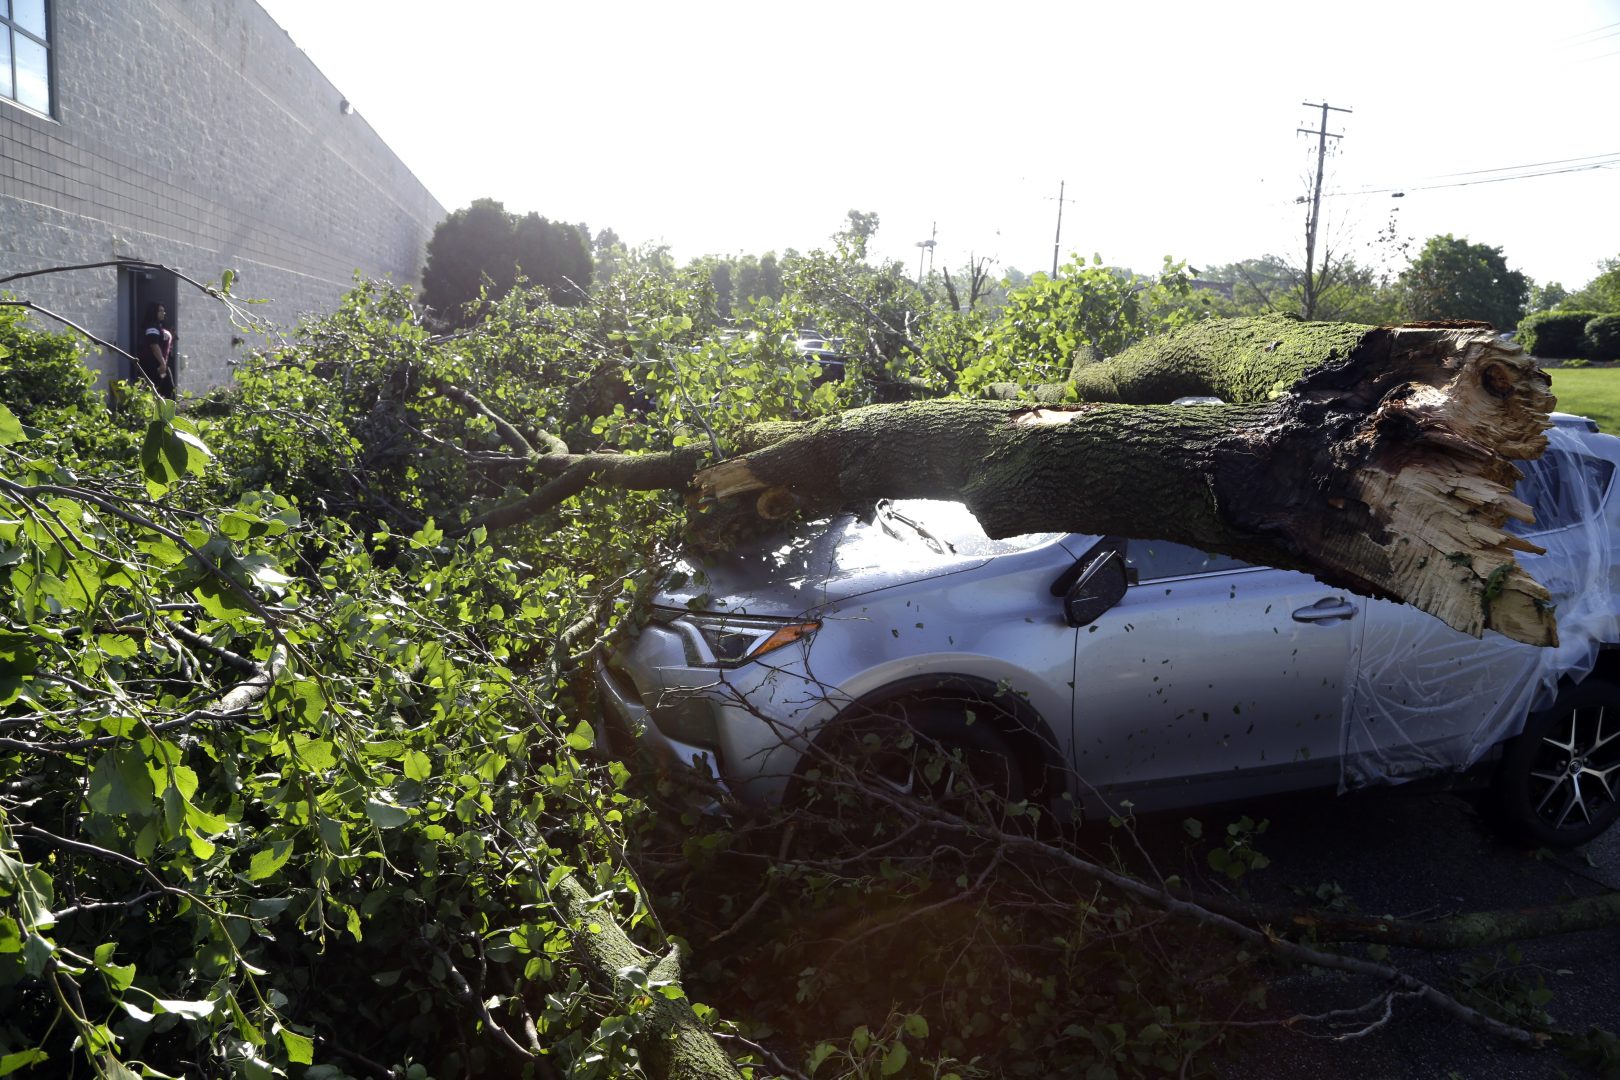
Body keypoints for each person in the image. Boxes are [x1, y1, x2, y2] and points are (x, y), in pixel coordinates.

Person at [139, 302, 176, 398]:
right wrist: (163, 364)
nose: (163, 313)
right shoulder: (151, 327)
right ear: (154, 312)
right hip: (153, 365)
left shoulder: (158, 327)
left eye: (164, 311)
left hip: (160, 364)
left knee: (167, 387)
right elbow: (154, 346)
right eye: (160, 311)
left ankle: (166, 411)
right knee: (157, 388)